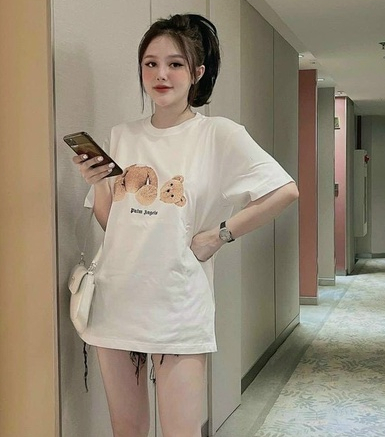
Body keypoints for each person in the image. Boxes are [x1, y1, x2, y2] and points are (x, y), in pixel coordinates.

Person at [73, 13, 299, 437]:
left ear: (197, 73)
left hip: (176, 304)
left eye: (175, 64)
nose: (161, 74)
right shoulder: (121, 135)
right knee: (127, 429)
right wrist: (98, 183)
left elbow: (285, 191)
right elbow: (112, 224)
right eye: (151, 63)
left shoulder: (217, 134)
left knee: (181, 431)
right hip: (116, 299)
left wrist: (220, 234)